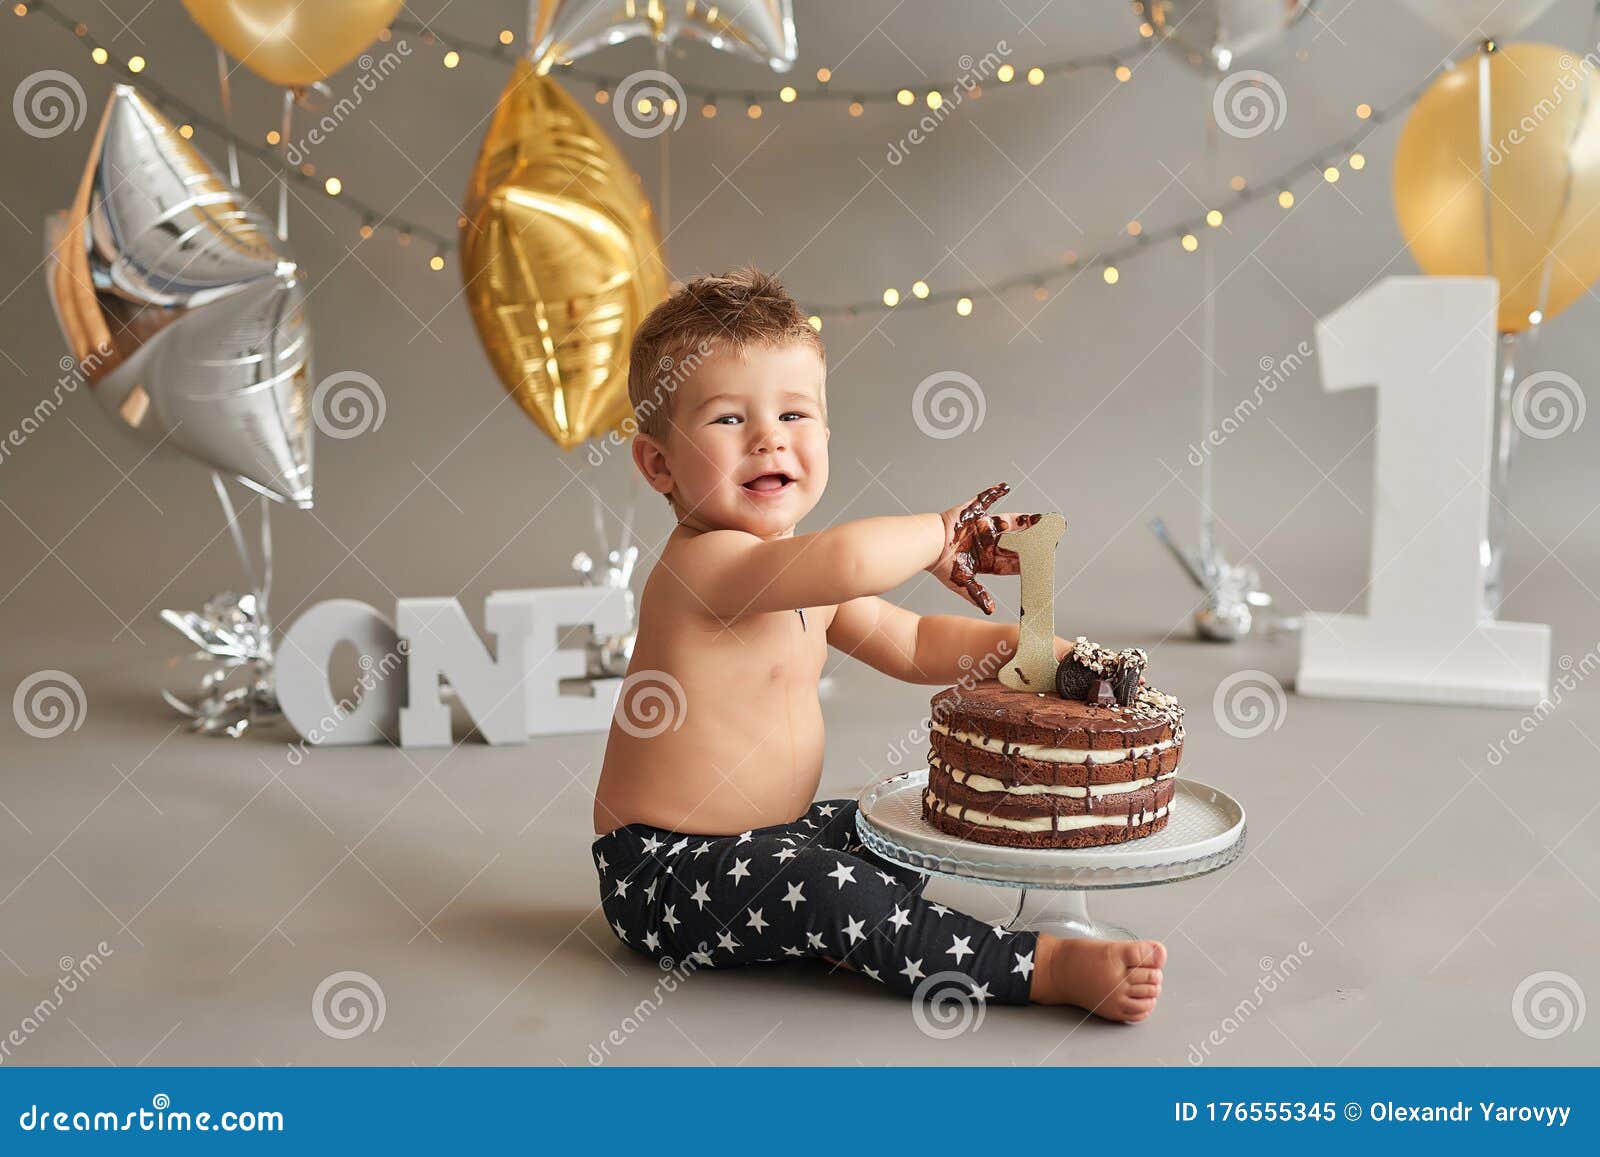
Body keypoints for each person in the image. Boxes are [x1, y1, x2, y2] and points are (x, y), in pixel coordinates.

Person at [591, 268, 1164, 1021]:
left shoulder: (794, 572)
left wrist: (1036, 653)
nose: (770, 437)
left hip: (774, 838)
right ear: (658, 462)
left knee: (896, 821)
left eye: (795, 413)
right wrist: (941, 534)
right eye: (729, 419)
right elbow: (851, 559)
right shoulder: (705, 566)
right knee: (833, 890)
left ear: (825, 435)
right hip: (666, 868)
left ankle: (846, 930)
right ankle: (1039, 966)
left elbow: (914, 639)